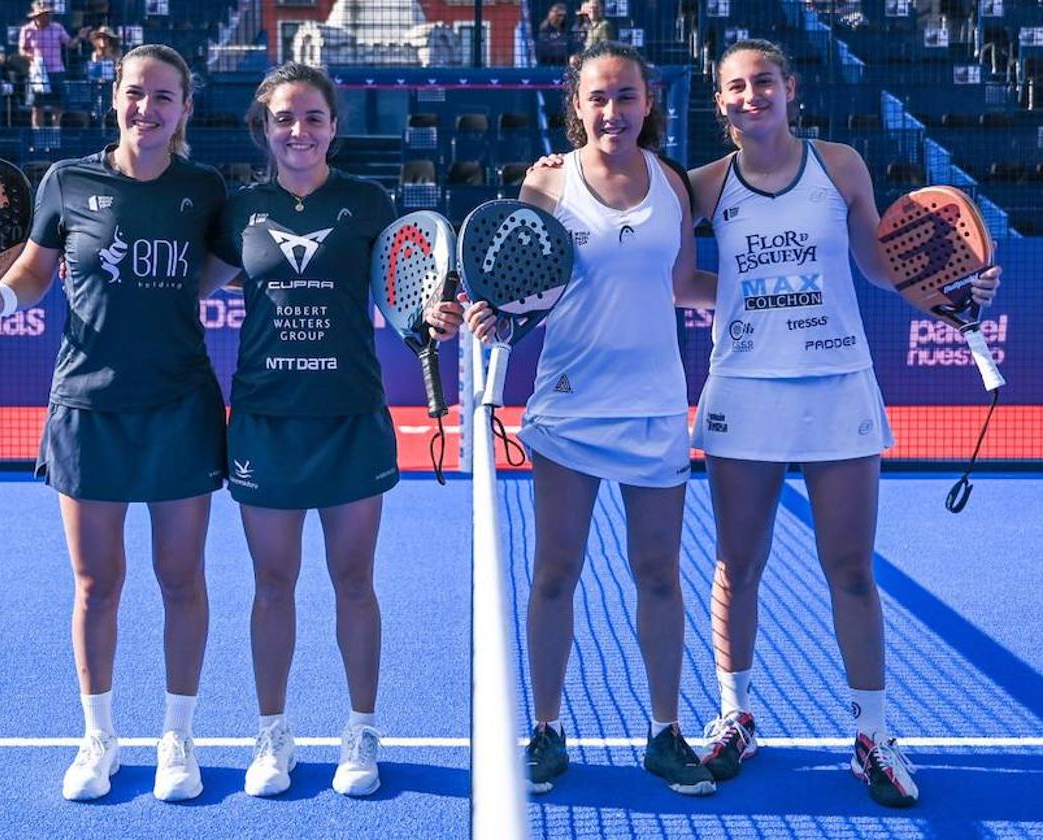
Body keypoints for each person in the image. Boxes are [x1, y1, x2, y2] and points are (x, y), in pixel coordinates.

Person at [685, 38, 1000, 807]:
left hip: (838, 387)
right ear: (719, 101)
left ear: (791, 89)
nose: (752, 95)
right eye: (736, 86)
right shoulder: (700, 186)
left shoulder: (842, 165)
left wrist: (954, 296)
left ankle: (872, 733)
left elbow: (880, 267)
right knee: (737, 566)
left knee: (852, 569)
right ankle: (735, 717)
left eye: (765, 81)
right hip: (743, 393)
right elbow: (669, 275)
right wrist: (732, 301)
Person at [0, 43, 231, 804]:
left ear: (185, 110)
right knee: (98, 583)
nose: (148, 108)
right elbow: (34, 273)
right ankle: (99, 737)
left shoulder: (205, 189)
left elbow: (220, 267)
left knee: (180, 580)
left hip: (178, 408)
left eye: (165, 97)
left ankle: (178, 738)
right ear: (116, 98)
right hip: (87, 409)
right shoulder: (67, 181)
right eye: (137, 93)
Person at [198, 62, 463, 799]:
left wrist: (434, 318)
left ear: (334, 126)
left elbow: (408, 297)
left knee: (354, 582)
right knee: (272, 584)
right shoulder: (238, 209)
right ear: (265, 128)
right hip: (265, 421)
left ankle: (361, 730)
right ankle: (272, 734)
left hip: (350, 417)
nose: (299, 131)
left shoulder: (370, 203)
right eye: (285, 118)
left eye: (313, 117)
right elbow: (183, 290)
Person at [466, 41, 717, 797]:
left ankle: (665, 732)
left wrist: (771, 292)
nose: (613, 111)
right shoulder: (546, 182)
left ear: (648, 104)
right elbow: (516, 286)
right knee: (555, 572)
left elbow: (683, 286)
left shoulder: (672, 184)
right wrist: (494, 320)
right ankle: (546, 731)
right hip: (569, 408)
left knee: (659, 576)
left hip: (653, 411)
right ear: (576, 105)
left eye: (626, 97)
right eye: (598, 98)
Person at [18, 0, 74, 127]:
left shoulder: (57, 28)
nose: (47, 16)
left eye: (48, 14)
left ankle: (55, 133)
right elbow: (22, 50)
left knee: (57, 105)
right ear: (36, 16)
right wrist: (33, 57)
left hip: (57, 71)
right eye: (44, 14)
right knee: (37, 107)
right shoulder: (27, 30)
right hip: (38, 73)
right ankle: (39, 137)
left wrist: (80, 37)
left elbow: (70, 43)